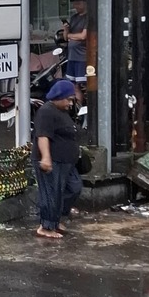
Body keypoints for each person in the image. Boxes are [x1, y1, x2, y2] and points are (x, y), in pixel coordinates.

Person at [33, 79, 82, 240]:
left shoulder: (63, 112)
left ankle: (56, 218)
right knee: (51, 193)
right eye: (68, 99)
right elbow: (43, 136)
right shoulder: (46, 111)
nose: (70, 103)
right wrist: (46, 158)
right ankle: (46, 226)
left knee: (74, 188)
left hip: (67, 161)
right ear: (59, 97)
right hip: (52, 160)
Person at [65, 0, 88, 83]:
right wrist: (66, 29)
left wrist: (69, 35)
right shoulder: (73, 18)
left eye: (78, 3)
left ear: (85, 3)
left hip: (82, 56)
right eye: (74, 4)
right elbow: (65, 37)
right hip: (71, 56)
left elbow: (83, 36)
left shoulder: (88, 18)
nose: (75, 6)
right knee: (73, 84)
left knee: (82, 83)